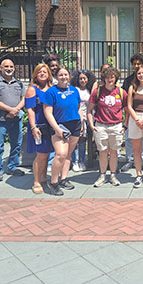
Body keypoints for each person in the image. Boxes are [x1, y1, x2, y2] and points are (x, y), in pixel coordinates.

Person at [43, 66, 83, 196]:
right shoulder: (51, 92)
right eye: (60, 75)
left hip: (75, 124)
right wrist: (57, 128)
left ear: (70, 76)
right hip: (60, 126)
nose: (63, 77)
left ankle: (64, 179)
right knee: (60, 154)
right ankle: (54, 182)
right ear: (55, 77)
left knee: (68, 154)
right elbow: (48, 112)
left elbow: (78, 108)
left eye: (66, 75)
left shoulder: (74, 90)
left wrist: (81, 122)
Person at [0, 59, 26, 182]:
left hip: (16, 119)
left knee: (16, 144)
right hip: (0, 120)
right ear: (1, 68)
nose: (9, 68)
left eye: (11, 66)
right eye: (6, 66)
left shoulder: (19, 83)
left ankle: (12, 167)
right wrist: (10, 110)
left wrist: (16, 110)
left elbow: (24, 99)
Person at [87, 66, 127, 188]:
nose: (110, 79)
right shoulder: (97, 92)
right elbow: (89, 110)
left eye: (112, 77)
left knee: (114, 152)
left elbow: (127, 110)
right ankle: (102, 175)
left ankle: (113, 175)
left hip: (116, 126)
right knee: (103, 152)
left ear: (116, 78)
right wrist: (92, 125)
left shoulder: (121, 92)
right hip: (101, 125)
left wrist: (124, 125)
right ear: (103, 78)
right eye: (107, 77)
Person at [25, 63, 53, 194]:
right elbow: (30, 110)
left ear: (49, 74)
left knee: (46, 154)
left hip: (50, 125)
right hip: (38, 125)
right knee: (40, 155)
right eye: (39, 72)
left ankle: (43, 177)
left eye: (45, 72)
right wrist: (33, 127)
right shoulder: (32, 89)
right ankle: (36, 181)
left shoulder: (52, 88)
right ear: (35, 74)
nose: (42, 74)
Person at [122, 54, 143, 173]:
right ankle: (130, 160)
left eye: (139, 64)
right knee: (128, 138)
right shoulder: (128, 80)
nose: (136, 66)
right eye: (135, 64)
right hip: (131, 114)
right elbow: (124, 97)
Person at [69, 69, 96, 172]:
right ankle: (74, 161)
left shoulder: (90, 90)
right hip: (77, 117)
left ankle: (81, 161)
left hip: (89, 117)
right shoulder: (74, 89)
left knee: (83, 140)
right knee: (75, 139)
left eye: (84, 78)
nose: (82, 80)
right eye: (80, 78)